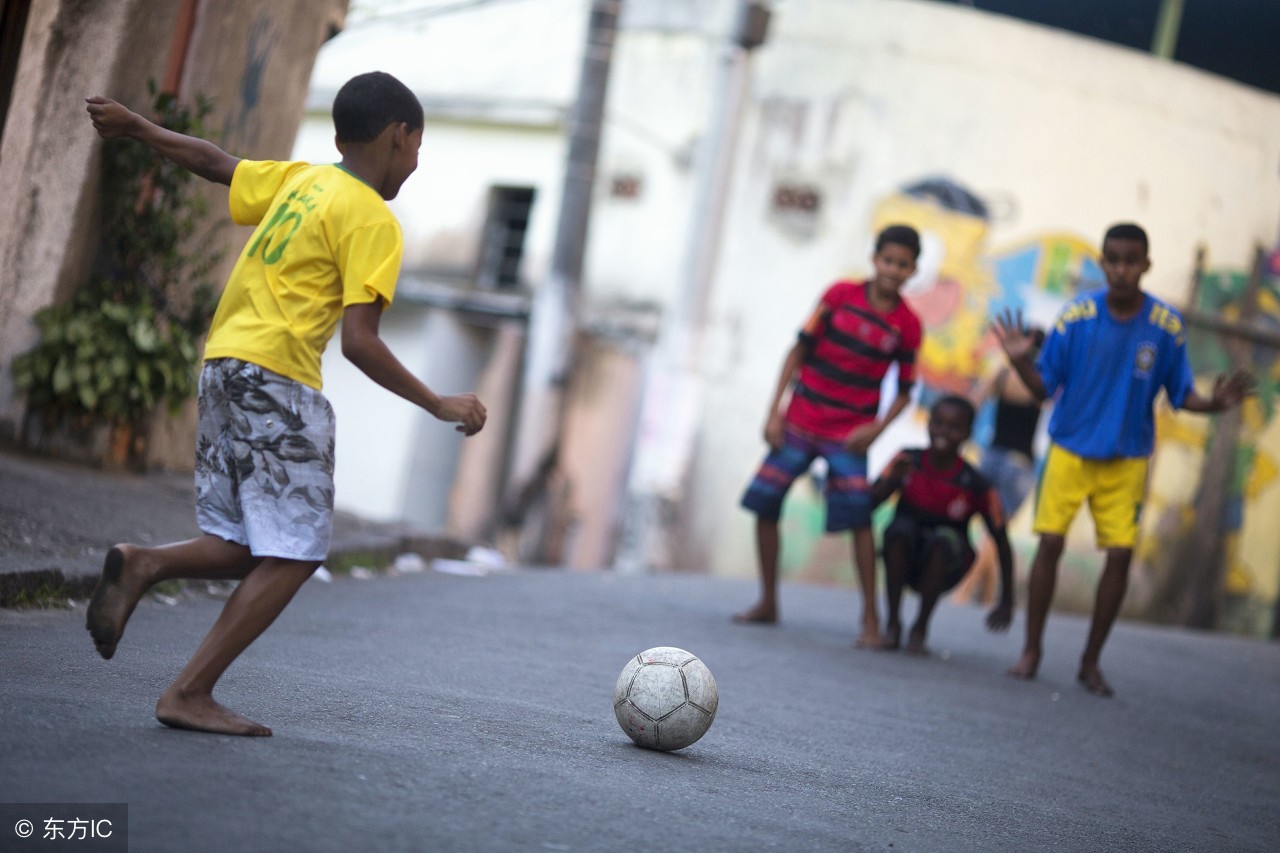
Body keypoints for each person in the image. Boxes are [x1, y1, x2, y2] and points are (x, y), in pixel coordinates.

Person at [82, 71, 488, 736]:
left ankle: (146, 561)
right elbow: (360, 343)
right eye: (417, 147)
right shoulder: (375, 221)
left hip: (224, 364)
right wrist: (437, 401)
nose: (415, 163)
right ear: (398, 135)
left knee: (245, 542)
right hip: (278, 377)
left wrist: (136, 127)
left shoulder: (303, 180)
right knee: (296, 550)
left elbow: (214, 162)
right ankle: (189, 689)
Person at [994, 222, 1252, 697]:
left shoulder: (1166, 326)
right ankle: (1031, 650)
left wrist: (1214, 404)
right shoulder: (1076, 318)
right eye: (1111, 259)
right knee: (1048, 545)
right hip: (1070, 450)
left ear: (1146, 265)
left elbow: (1182, 396)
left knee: (1119, 554)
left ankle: (1091, 662)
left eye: (1130, 260)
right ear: (1102, 264)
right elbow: (1042, 389)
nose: (1120, 269)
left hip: (1127, 459)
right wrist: (1019, 361)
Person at [735, 224, 924, 647]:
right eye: (888, 260)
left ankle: (870, 621)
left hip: (849, 434)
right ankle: (767, 600)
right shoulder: (838, 296)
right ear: (875, 259)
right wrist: (774, 413)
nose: (893, 270)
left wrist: (876, 429)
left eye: (903, 264)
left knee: (860, 520)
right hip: (800, 419)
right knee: (766, 502)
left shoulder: (907, 325)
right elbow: (797, 351)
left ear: (913, 270)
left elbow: (908, 391)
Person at [870, 395, 1013, 654]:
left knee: (941, 541)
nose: (943, 432)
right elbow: (868, 505)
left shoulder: (976, 484)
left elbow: (1002, 541)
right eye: (938, 423)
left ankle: (920, 628)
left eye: (954, 427)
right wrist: (892, 482)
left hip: (946, 565)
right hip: (905, 554)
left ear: (968, 433)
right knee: (899, 531)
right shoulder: (906, 461)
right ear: (928, 424)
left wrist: (1007, 601)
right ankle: (892, 623)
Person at [951, 327, 1045, 607]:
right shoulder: (1039, 383)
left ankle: (988, 597)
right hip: (1019, 464)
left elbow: (973, 404)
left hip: (991, 457)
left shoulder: (1001, 374)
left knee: (990, 529)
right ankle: (964, 592)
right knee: (996, 533)